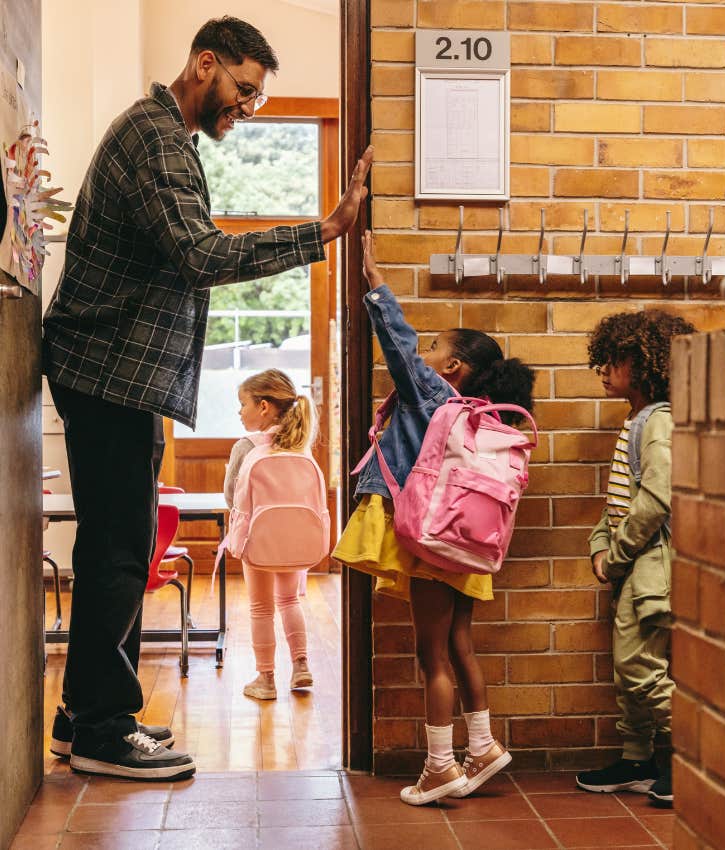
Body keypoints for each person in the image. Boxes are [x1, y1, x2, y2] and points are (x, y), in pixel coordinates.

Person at [42, 15, 372, 781]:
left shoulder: (168, 138)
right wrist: (322, 231)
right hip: (108, 371)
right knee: (121, 551)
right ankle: (99, 729)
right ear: (204, 63)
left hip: (122, 374)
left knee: (120, 546)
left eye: (256, 99)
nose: (246, 108)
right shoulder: (157, 140)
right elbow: (200, 253)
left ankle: (87, 712)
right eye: (243, 91)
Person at [333, 231, 535, 806]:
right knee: (461, 643)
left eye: (434, 352)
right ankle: (483, 746)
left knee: (431, 655)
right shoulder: (488, 418)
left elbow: (398, 343)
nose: (423, 359)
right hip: (471, 542)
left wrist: (373, 280)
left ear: (454, 366)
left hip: (435, 539)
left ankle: (440, 768)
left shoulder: (437, 398)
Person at [576, 310, 694, 808]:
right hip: (633, 558)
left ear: (646, 363)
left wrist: (619, 555)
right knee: (629, 669)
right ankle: (638, 759)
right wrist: (601, 545)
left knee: (638, 665)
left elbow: (658, 497)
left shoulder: (660, 419)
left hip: (651, 561)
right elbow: (618, 503)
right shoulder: (638, 419)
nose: (603, 369)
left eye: (614, 359)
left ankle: (702, 759)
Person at [224, 368, 317, 699]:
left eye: (243, 404)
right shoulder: (298, 445)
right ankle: (301, 665)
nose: (240, 411)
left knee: (261, 608)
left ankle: (265, 680)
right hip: (294, 540)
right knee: (290, 600)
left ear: (263, 406)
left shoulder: (246, 446)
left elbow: (229, 496)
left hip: (257, 540)